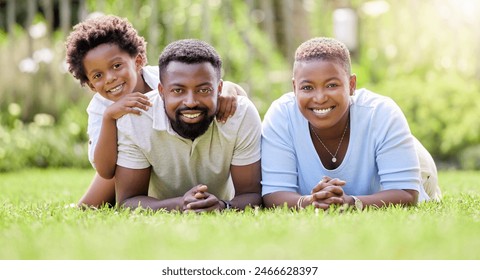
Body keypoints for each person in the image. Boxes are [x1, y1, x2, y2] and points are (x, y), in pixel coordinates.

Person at [64, 15, 245, 208]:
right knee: (95, 198)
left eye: (117, 66)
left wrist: (228, 90)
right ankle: (85, 205)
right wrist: (110, 117)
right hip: (138, 169)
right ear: (91, 85)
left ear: (138, 62)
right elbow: (106, 171)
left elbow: (229, 92)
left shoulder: (163, 76)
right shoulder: (100, 108)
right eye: (98, 75)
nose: (110, 78)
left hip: (180, 153)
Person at [261, 37, 441, 210]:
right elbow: (274, 193)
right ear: (294, 88)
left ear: (352, 84)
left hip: (415, 164)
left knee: (417, 172)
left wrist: (352, 202)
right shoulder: (281, 115)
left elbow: (407, 194)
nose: (320, 97)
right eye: (307, 87)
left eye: (331, 85)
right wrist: (309, 202)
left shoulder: (381, 112)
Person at [114, 39, 262, 212]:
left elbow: (252, 195)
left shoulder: (240, 114)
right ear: (161, 91)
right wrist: (180, 204)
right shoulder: (136, 118)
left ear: (219, 88)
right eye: (178, 90)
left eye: (203, 90)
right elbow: (127, 202)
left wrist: (223, 206)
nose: (191, 102)